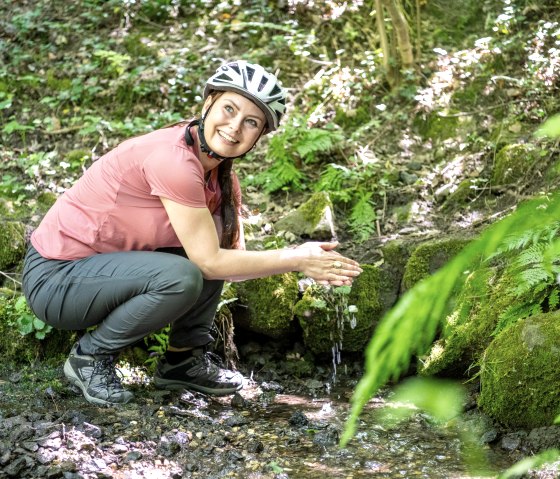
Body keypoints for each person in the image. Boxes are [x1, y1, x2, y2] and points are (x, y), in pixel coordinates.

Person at [21, 60, 363, 406]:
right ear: (207, 103)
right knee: (184, 273)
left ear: (259, 137)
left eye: (251, 122)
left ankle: (182, 361)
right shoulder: (174, 160)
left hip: (103, 273)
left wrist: (299, 259)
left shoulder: (221, 179)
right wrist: (296, 259)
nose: (235, 127)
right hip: (56, 280)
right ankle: (89, 358)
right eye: (229, 109)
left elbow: (230, 263)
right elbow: (209, 263)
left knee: (204, 258)